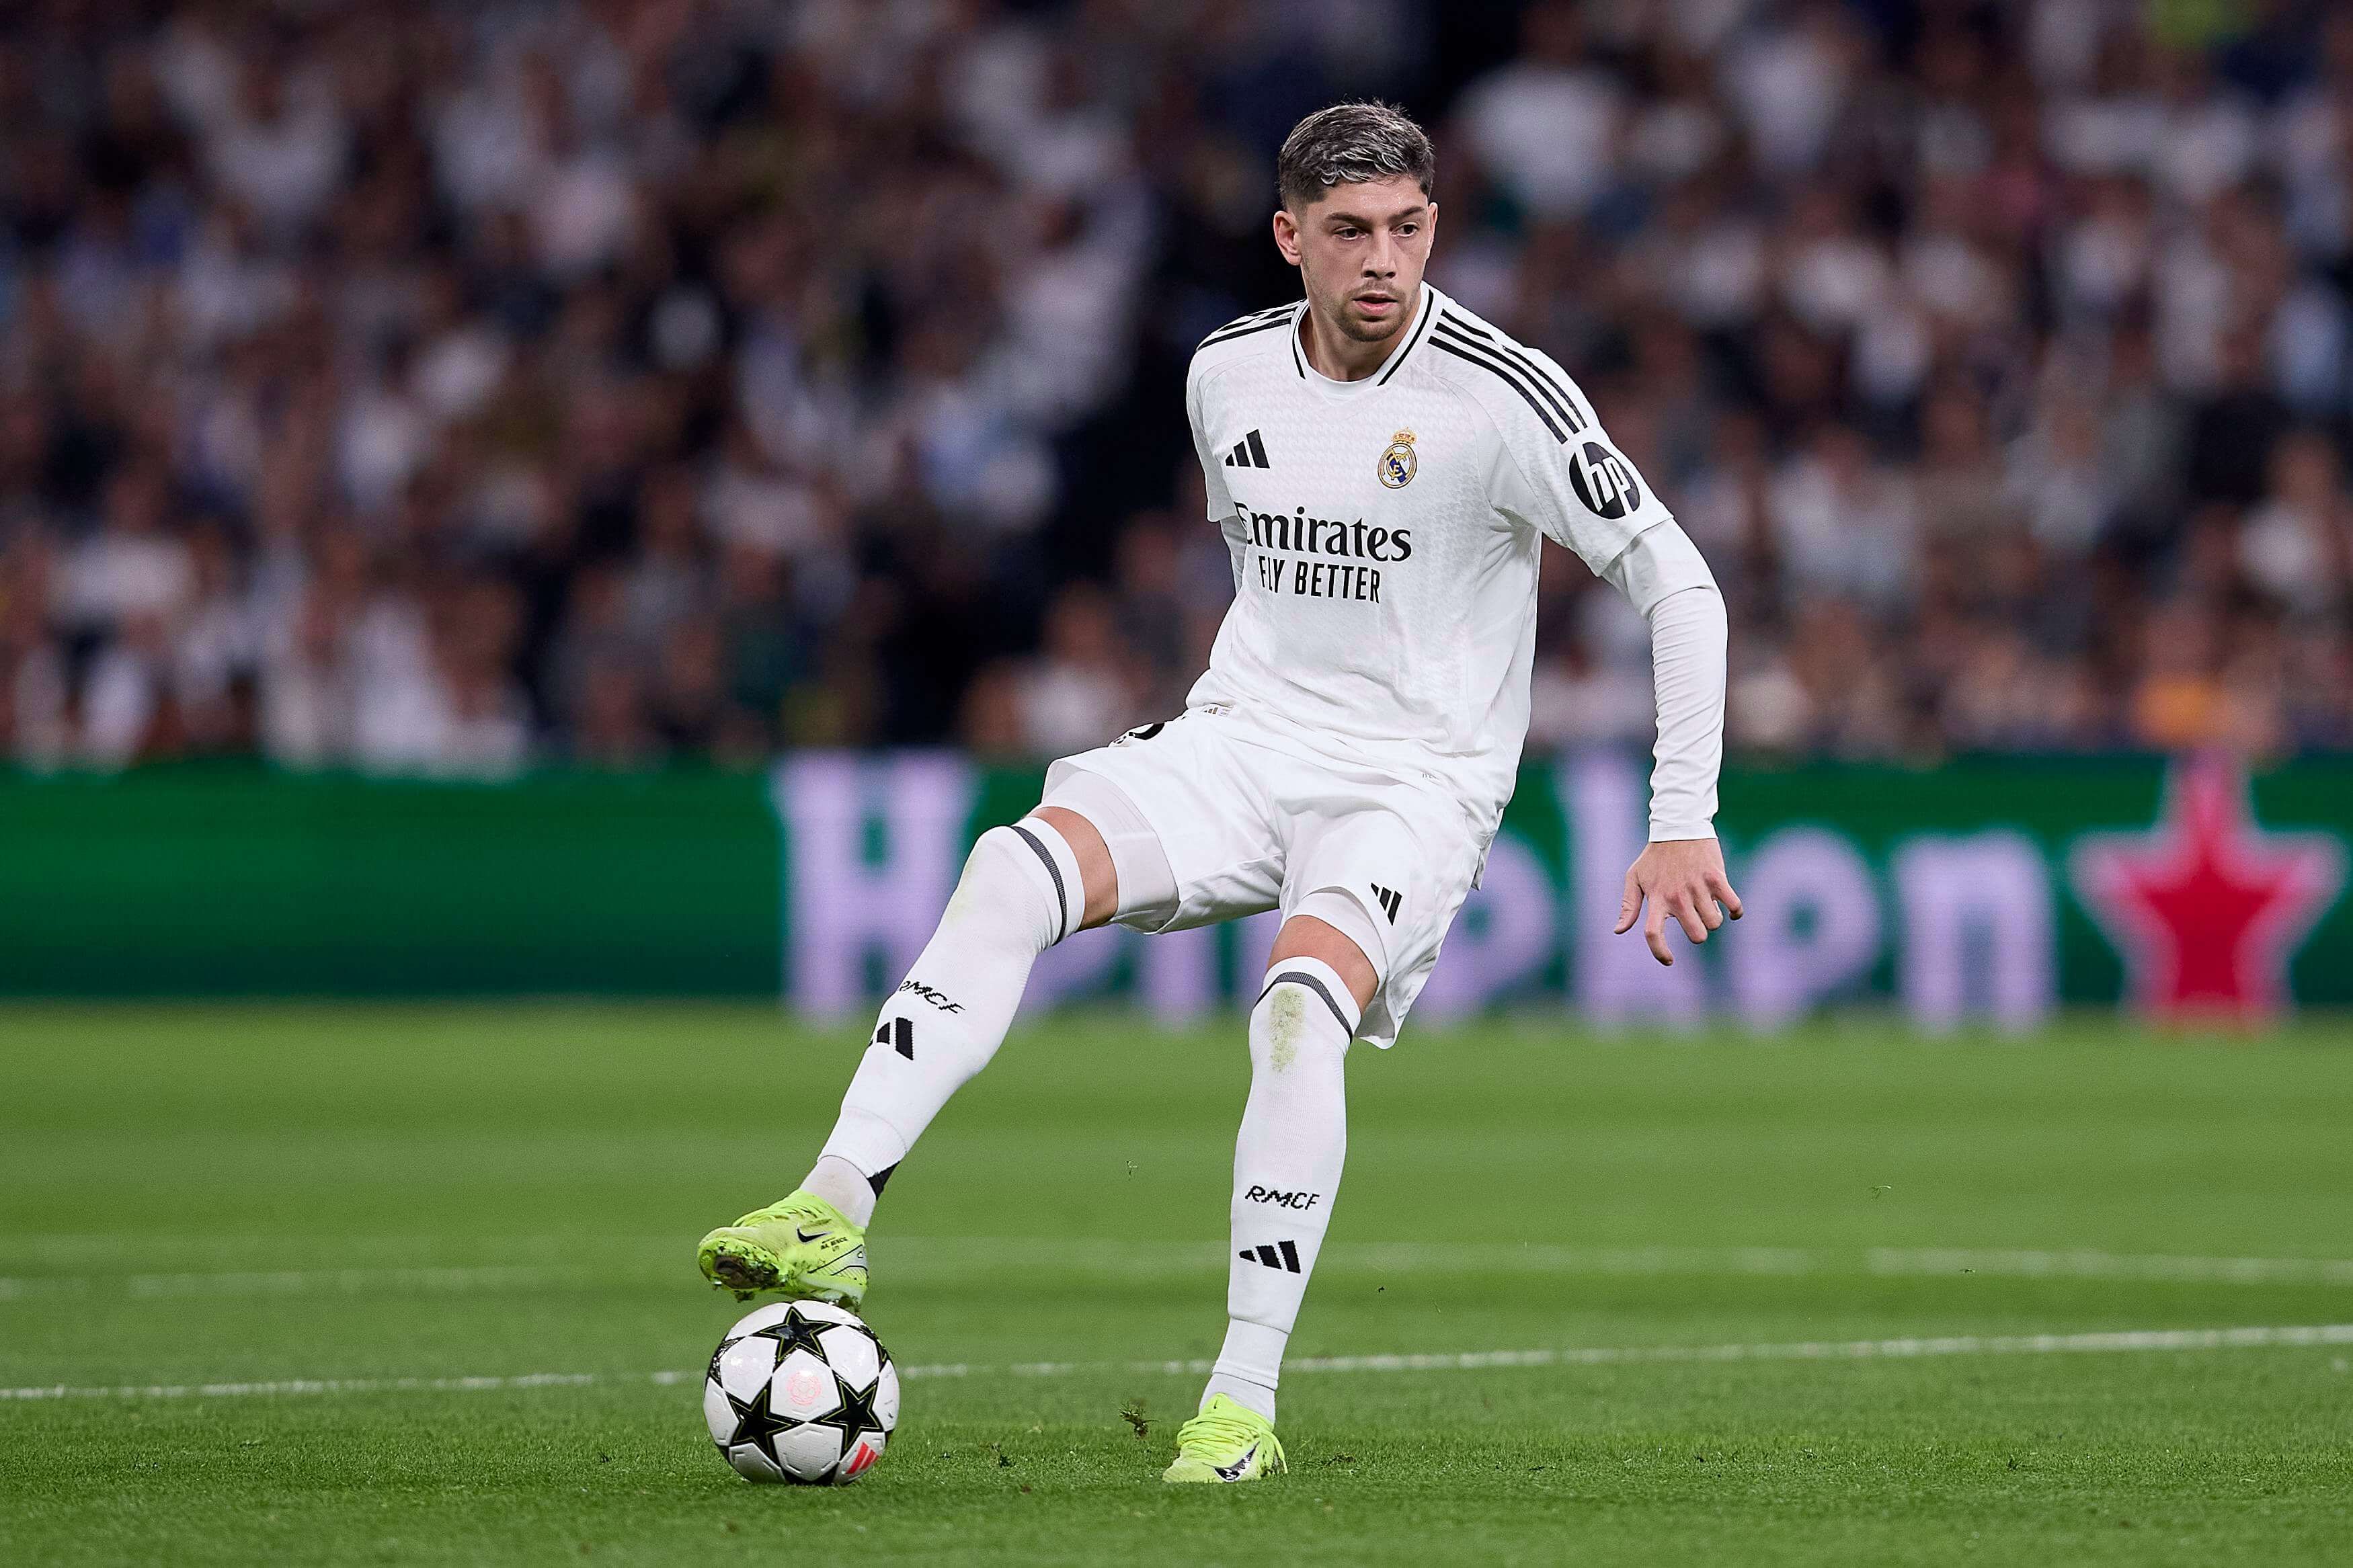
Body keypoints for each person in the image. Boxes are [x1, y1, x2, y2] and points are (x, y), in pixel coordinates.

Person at [696, 102, 1740, 1484]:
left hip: (1410, 781)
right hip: (1240, 738)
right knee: (1013, 867)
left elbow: (1678, 580)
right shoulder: (1224, 374)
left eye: (1409, 229)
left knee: (1300, 1010)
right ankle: (832, 1206)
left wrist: (1681, 814)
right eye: (1352, 232)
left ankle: (1239, 1404)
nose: (1384, 260)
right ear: (1288, 238)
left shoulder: (1502, 394)